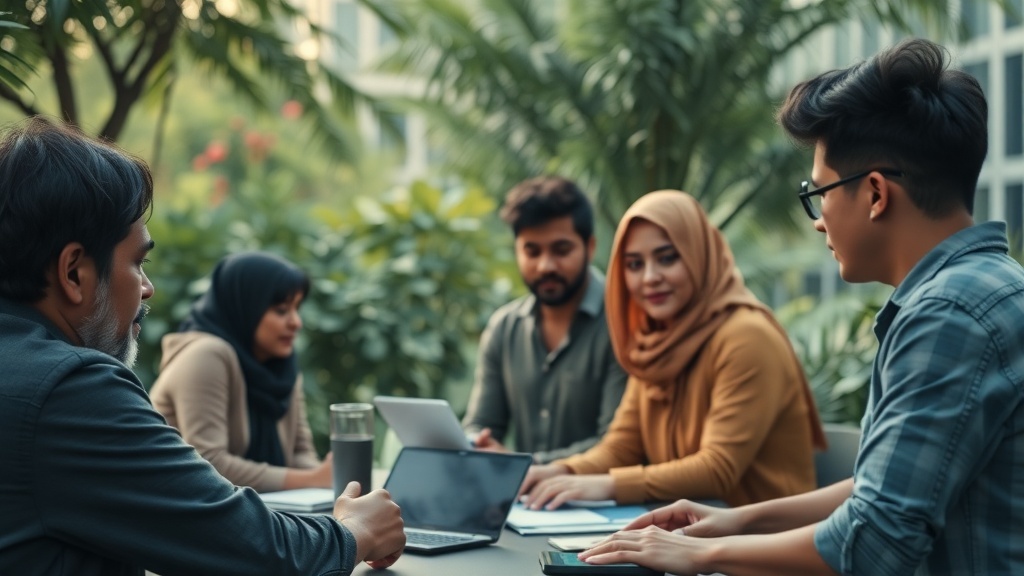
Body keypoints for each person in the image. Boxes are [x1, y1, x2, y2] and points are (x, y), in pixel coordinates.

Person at [578, 39, 1024, 576]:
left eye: (820, 193)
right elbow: (883, 487)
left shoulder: (949, 314)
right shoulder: (984, 289)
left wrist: (701, 554)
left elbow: (874, 542)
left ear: (875, 194)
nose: (817, 220)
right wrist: (735, 521)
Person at [0, 117, 404, 575]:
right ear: (74, 272)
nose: (147, 288)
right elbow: (257, 551)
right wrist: (356, 531)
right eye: (138, 263)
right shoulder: (71, 391)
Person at [520, 189, 827, 510]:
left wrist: (607, 485)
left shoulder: (747, 337)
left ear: (698, 254)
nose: (650, 278)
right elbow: (621, 448)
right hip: (689, 530)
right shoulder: (655, 340)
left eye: (667, 258)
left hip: (765, 534)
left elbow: (717, 469)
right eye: (634, 264)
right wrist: (558, 472)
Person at [462, 176, 628, 463]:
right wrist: (477, 443)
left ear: (589, 247)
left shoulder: (624, 323)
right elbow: (481, 424)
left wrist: (521, 465)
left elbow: (619, 444)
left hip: (601, 490)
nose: (545, 265)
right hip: (522, 490)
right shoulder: (504, 328)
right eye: (532, 251)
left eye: (561, 250)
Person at [149, 252, 331, 492]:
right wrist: (312, 479)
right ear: (246, 308)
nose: (296, 322)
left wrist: (331, 477)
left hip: (254, 506)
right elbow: (208, 463)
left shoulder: (281, 366)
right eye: (281, 310)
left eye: (297, 308)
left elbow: (300, 454)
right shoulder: (206, 355)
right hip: (178, 505)